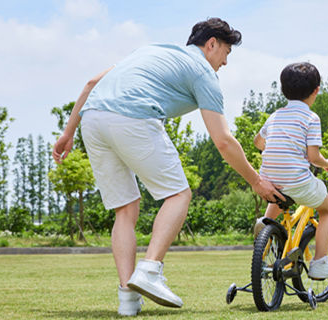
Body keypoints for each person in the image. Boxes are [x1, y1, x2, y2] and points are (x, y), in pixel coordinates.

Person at [51, 18, 282, 316]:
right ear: (211, 44)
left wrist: (68, 133)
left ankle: (128, 299)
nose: (225, 62)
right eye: (226, 52)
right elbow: (223, 141)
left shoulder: (150, 51)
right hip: (132, 116)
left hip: (93, 119)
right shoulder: (202, 72)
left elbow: (91, 83)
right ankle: (150, 270)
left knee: (126, 209)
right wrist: (256, 181)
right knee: (178, 194)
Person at [253, 62, 328, 279]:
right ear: (316, 90)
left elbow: (258, 142)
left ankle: (264, 234)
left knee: (276, 200)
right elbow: (313, 157)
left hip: (268, 178)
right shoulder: (311, 118)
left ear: (284, 89)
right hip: (296, 180)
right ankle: (320, 262)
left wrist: (279, 146)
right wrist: (327, 163)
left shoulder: (274, 116)